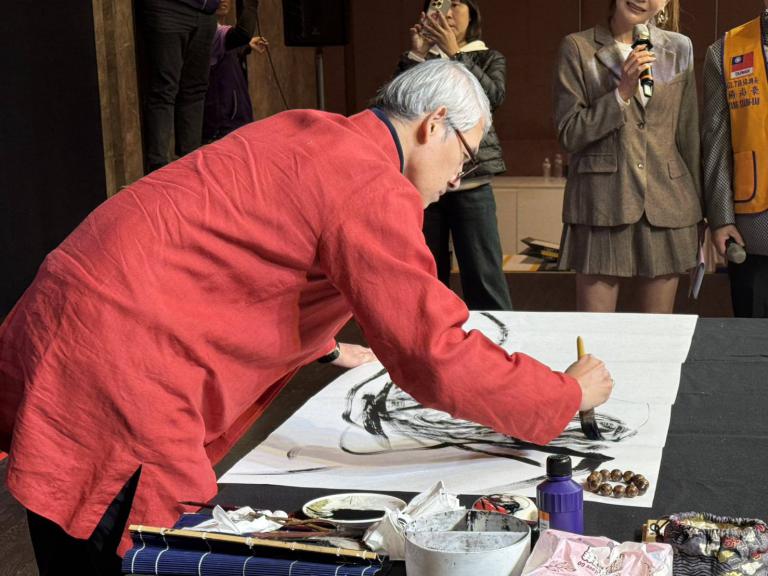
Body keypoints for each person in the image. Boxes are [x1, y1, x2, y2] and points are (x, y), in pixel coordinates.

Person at [0, 59, 613, 573]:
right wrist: (564, 395)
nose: (458, 178)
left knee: (60, 511)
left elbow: (242, 250)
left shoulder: (310, 130)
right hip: (119, 367)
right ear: (433, 125)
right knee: (132, 550)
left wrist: (327, 345)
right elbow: (432, 353)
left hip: (62, 321)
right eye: (467, 156)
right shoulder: (370, 183)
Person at [553, 0, 702, 313]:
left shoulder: (679, 47)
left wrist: (705, 215)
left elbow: (688, 134)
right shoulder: (578, 47)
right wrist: (621, 93)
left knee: (656, 333)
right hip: (601, 205)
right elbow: (569, 132)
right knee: (596, 333)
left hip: (668, 204)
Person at [395, 0, 512, 310]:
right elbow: (396, 107)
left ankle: (497, 338)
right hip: (423, 184)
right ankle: (432, 334)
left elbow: (492, 99)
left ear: (472, 14)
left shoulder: (487, 57)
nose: (447, 12)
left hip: (471, 180)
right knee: (427, 275)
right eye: (440, 3)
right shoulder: (423, 61)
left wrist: (455, 54)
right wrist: (417, 55)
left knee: (484, 277)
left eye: (456, 4)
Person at [702, 1, 768, 318]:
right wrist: (721, 217)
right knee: (753, 336)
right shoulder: (726, 50)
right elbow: (716, 142)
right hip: (752, 230)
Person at [136, 0, 219, 173]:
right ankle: (158, 170)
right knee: (164, 90)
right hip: (169, 9)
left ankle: (190, 169)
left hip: (206, 13)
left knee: (195, 90)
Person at [202, 0, 267, 143]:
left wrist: (246, 44)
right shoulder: (209, 31)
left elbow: (229, 44)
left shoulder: (220, 32)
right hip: (222, 127)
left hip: (235, 121)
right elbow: (240, 35)